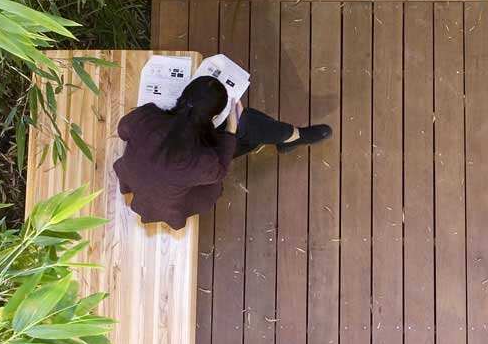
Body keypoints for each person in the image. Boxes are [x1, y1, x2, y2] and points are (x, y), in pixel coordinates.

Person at [114, 74, 331, 229]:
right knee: (245, 124)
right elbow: (218, 171)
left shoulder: (147, 116)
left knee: (247, 125)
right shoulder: (201, 161)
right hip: (169, 199)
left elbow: (123, 130)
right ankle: (292, 136)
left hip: (137, 174)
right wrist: (231, 128)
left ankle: (289, 137)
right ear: (212, 117)